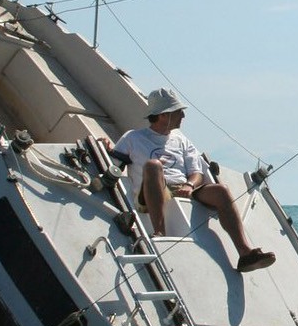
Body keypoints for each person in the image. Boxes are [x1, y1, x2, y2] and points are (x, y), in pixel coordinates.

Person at [111, 88, 276, 272]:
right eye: (178, 111)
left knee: (222, 191)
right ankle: (159, 233)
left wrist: (190, 185)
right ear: (164, 115)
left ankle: (245, 253)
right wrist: (107, 147)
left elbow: (196, 173)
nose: (183, 115)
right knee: (153, 165)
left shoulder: (182, 140)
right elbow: (113, 166)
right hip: (149, 193)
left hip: (183, 188)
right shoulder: (133, 138)